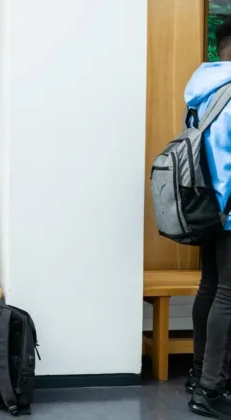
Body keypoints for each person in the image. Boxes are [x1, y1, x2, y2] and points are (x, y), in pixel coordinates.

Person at [185, 18, 231, 419]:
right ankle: (211, 390)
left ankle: (200, 374)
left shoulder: (203, 90)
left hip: (204, 208)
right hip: (230, 211)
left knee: (210, 288)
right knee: (228, 296)